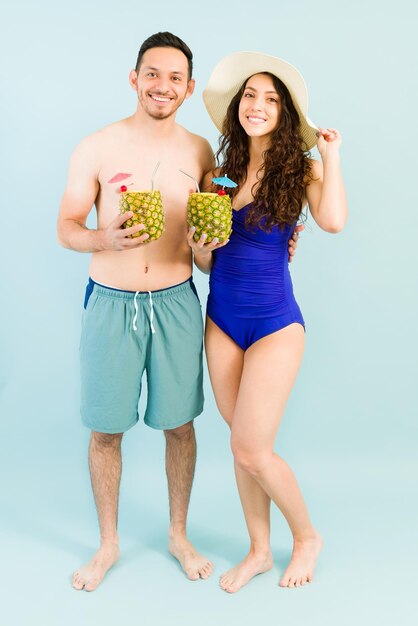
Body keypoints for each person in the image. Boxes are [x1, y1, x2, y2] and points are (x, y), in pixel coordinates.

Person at [57, 32, 303, 592]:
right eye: (152, 74)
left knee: (180, 427)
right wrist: (103, 238)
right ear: (134, 78)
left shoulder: (203, 154)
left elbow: (218, 243)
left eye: (174, 78)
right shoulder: (96, 147)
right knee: (104, 432)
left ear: (189, 88)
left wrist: (248, 242)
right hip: (112, 303)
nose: (162, 86)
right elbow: (65, 227)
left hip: (177, 302)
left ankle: (178, 535)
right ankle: (109, 545)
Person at [187, 51, 347, 593]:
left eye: (271, 99)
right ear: (238, 107)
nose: (258, 105)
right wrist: (199, 248)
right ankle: (258, 549)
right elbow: (207, 260)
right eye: (251, 96)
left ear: (284, 113)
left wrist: (333, 155)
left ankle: (306, 537)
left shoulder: (300, 169)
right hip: (222, 320)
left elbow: (333, 220)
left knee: (252, 447)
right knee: (241, 444)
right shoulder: (220, 174)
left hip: (276, 321)